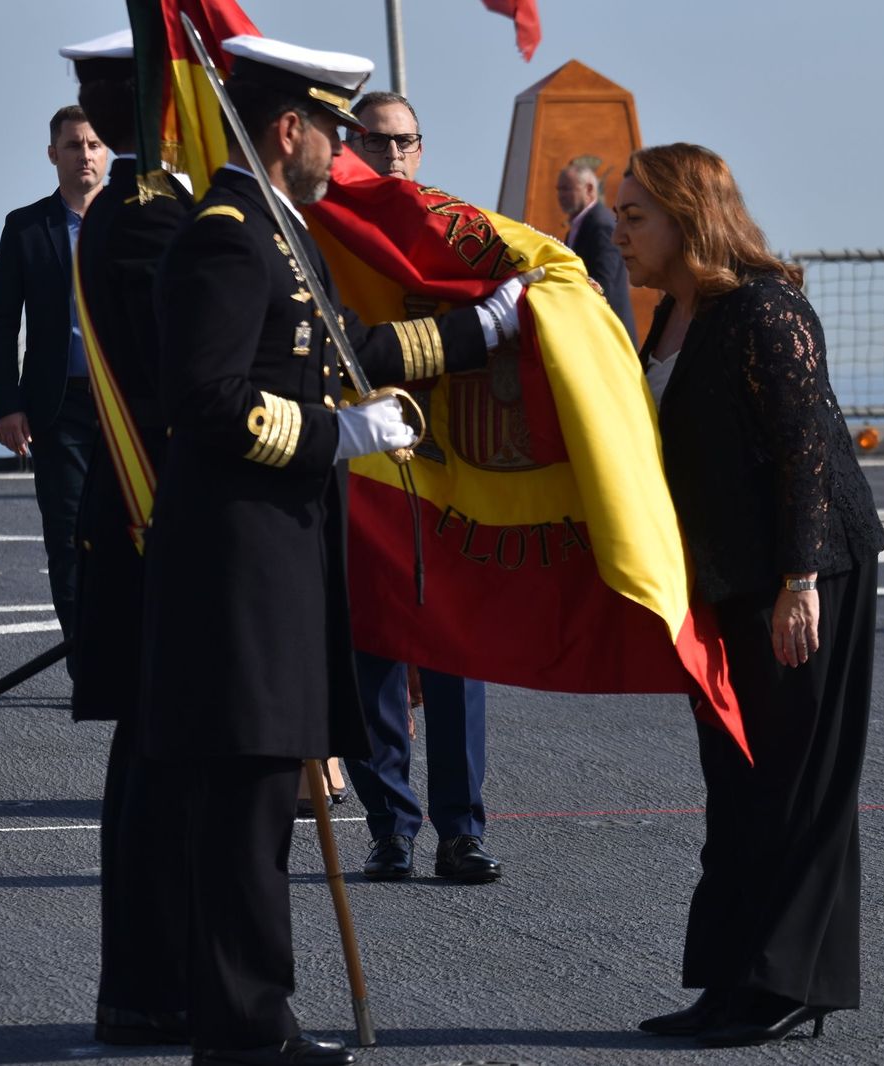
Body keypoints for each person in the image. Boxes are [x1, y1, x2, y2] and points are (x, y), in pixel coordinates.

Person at [140, 35, 529, 1065]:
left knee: (262, 801)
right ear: (287, 130)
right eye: (332, 132)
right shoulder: (228, 237)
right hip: (238, 573)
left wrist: (477, 332)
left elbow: (346, 348)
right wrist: (335, 436)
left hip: (275, 562)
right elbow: (208, 400)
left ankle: (252, 1017)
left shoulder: (279, 232)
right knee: (243, 810)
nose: (342, 152)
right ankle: (244, 1029)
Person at [614, 143, 884, 1047]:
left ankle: (783, 985)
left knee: (796, 781)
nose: (620, 230)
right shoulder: (669, 316)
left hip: (806, 576)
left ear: (687, 220)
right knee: (734, 779)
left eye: (635, 215)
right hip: (729, 578)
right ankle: (730, 978)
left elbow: (806, 448)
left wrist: (798, 582)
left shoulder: (766, 310)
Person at [59, 30, 193, 1047]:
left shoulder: (136, 207)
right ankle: (157, 987)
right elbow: (184, 388)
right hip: (172, 533)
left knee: (158, 770)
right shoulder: (155, 216)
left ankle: (151, 985)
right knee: (171, 775)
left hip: (154, 532)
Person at [342, 89, 500, 885]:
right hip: (361, 467)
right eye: (378, 142)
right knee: (370, 658)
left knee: (454, 657)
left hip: (448, 471)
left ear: (423, 148)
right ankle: (390, 827)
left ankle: (461, 831)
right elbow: (347, 347)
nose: (394, 156)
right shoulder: (325, 237)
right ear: (351, 145)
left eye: (405, 142)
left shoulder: (459, 232)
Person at [0, 103, 106, 659]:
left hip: (132, 408)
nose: (85, 154)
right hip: (61, 410)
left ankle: (141, 665)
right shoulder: (26, 228)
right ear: (53, 154)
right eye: (74, 145)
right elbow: (1, 322)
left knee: (146, 534)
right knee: (68, 537)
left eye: (94, 144)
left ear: (107, 153)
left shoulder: (138, 224)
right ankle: (87, 660)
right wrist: (7, 405)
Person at [557, 156, 637, 343]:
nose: (560, 195)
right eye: (558, 189)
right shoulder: (576, 227)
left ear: (590, 189)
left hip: (609, 338)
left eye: (566, 189)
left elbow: (603, 286)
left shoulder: (601, 225)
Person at [343, 90, 424, 181]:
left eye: (404, 141)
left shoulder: (435, 195)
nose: (393, 154)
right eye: (376, 141)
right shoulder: (327, 195)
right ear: (348, 151)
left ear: (419, 154)